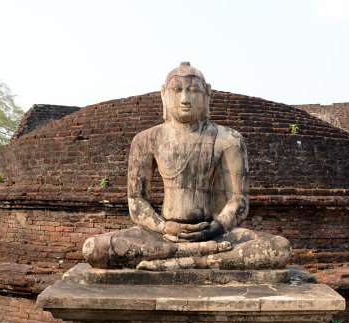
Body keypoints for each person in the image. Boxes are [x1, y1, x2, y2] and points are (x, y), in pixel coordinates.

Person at [82, 63, 291, 270]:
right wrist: (163, 227)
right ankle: (194, 257)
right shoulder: (146, 139)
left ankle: (188, 260)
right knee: (94, 249)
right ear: (164, 95)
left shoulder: (229, 139)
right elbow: (136, 201)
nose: (185, 99)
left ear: (207, 94)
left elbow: (238, 200)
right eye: (177, 90)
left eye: (193, 90)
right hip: (162, 235)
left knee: (279, 248)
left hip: (214, 234)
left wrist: (212, 230)